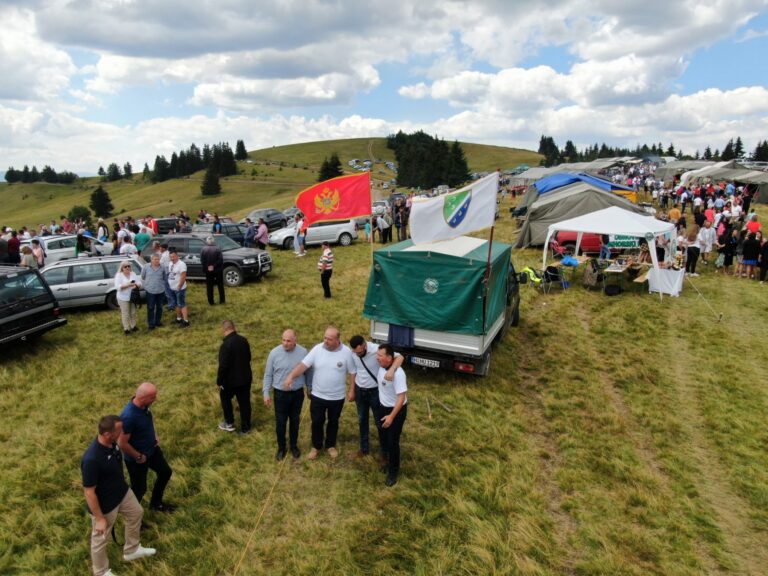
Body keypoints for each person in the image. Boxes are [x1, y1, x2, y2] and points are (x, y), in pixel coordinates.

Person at [82, 415, 156, 576]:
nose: (122, 432)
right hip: (105, 504)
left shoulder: (112, 444)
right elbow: (89, 492)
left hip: (122, 492)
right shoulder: (92, 459)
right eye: (119, 430)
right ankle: (101, 572)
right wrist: (100, 518)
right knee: (100, 539)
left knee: (137, 513)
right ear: (107, 434)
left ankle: (132, 550)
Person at [283, 326, 356, 460]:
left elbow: (352, 372)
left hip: (337, 397)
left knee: (333, 421)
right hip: (318, 395)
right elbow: (303, 365)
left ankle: (330, 445)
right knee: (317, 421)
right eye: (325, 338)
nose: (325, 341)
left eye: (329, 339)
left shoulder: (346, 352)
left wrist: (352, 390)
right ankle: (316, 446)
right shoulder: (317, 349)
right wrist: (291, 376)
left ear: (337, 340)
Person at [118, 382, 175, 513]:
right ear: (143, 398)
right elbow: (122, 443)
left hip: (152, 451)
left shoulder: (144, 406)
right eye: (153, 397)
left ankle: (156, 504)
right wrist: (138, 456)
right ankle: (133, 519)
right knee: (139, 489)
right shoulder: (128, 416)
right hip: (137, 459)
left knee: (165, 472)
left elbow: (148, 421)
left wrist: (154, 435)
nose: (155, 399)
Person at [349, 335, 403, 462]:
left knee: (380, 423)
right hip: (360, 391)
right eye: (356, 353)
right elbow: (354, 371)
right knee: (362, 420)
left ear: (365, 345)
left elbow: (400, 357)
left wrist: (392, 370)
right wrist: (352, 390)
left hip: (375, 392)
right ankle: (364, 449)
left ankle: (384, 452)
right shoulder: (353, 353)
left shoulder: (376, 350)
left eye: (361, 352)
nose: (359, 354)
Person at [263, 328, 310, 460]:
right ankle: (281, 448)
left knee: (295, 421)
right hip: (280, 395)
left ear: (295, 340)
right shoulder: (274, 353)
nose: (285, 343)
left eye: (288, 341)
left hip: (297, 394)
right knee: (281, 422)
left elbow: (308, 372)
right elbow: (268, 375)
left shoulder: (303, 352)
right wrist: (266, 393)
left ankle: (293, 446)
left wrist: (309, 387)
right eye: (283, 340)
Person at [376, 343, 408, 487]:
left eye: (380, 356)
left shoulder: (399, 374)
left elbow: (401, 398)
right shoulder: (383, 366)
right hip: (382, 408)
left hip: (396, 411)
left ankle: (393, 472)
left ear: (389, 358)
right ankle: (386, 460)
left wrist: (391, 417)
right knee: (383, 436)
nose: (377, 358)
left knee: (392, 442)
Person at [217, 320, 253, 434]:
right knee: (245, 403)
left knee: (225, 398)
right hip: (245, 378)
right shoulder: (244, 340)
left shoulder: (225, 345)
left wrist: (219, 382)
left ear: (224, 330)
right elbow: (249, 357)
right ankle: (246, 428)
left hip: (230, 382)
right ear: (234, 327)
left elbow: (223, 366)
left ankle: (229, 422)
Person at [114, 261, 141, 335]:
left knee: (133, 312)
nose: (127, 268)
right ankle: (126, 329)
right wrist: (127, 285)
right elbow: (117, 287)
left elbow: (139, 283)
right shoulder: (119, 275)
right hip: (123, 298)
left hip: (132, 297)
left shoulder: (133, 273)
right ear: (122, 268)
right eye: (125, 266)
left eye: (129, 266)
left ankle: (133, 326)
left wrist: (136, 285)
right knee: (125, 313)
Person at [141, 254, 167, 330]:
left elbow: (165, 278)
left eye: (158, 259)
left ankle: (158, 322)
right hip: (150, 291)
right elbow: (143, 276)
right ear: (151, 260)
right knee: (150, 308)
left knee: (159, 307)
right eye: (155, 259)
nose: (156, 261)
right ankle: (151, 324)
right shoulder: (146, 267)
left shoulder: (163, 267)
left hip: (160, 291)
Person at [167, 249, 189, 327]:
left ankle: (186, 321)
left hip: (179, 288)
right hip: (172, 288)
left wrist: (179, 286)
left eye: (173, 256)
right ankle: (179, 318)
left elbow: (183, 276)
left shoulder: (181, 264)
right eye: (170, 257)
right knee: (176, 304)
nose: (172, 258)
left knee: (181, 304)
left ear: (177, 256)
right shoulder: (170, 264)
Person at [201, 236, 225, 305]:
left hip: (208, 270)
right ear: (213, 241)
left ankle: (211, 301)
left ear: (207, 241)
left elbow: (202, 260)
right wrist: (213, 266)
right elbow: (220, 260)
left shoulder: (203, 249)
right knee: (220, 285)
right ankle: (222, 300)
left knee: (209, 286)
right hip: (217, 270)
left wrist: (207, 266)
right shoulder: (218, 249)